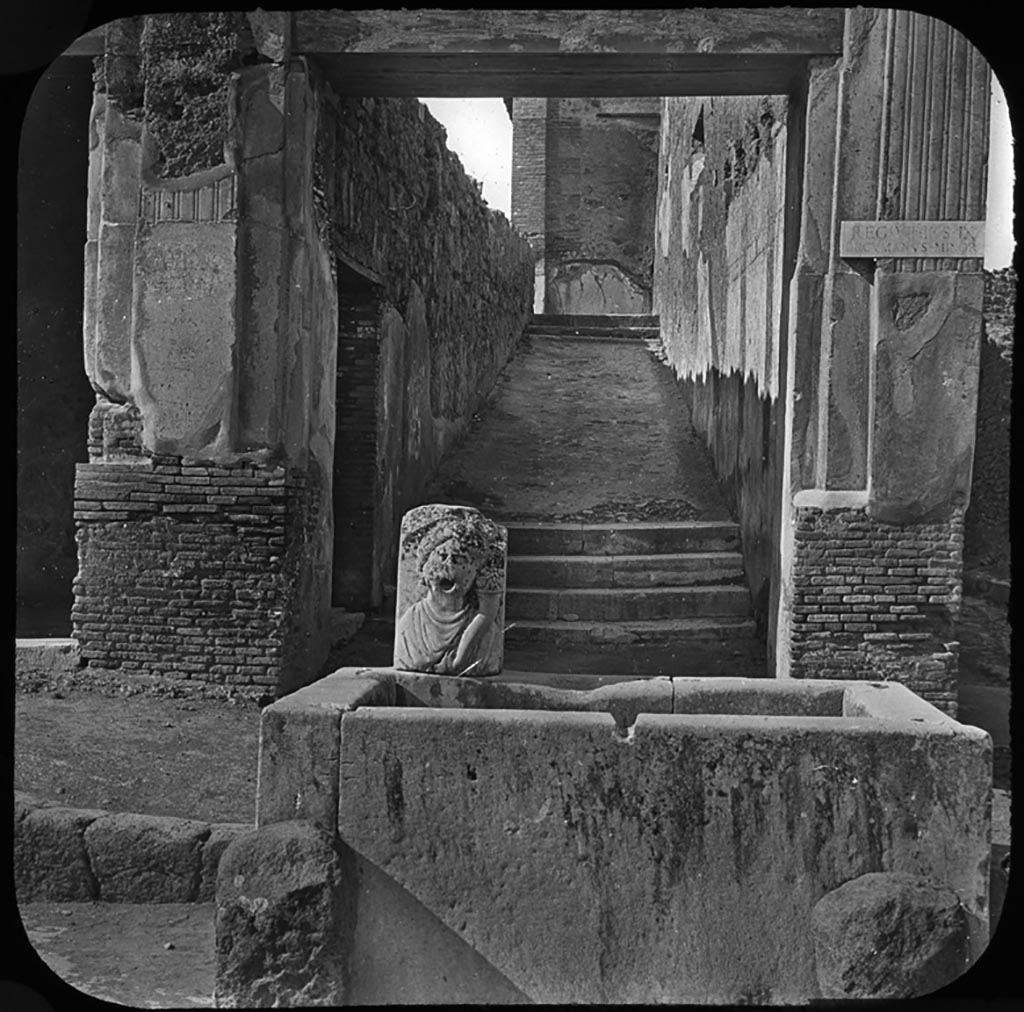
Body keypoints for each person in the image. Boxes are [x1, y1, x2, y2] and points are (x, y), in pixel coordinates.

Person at [394, 519, 503, 676]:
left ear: (475, 574)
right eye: (441, 556)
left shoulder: (487, 632)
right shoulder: (410, 625)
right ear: (425, 568)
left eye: (459, 560)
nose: (449, 566)